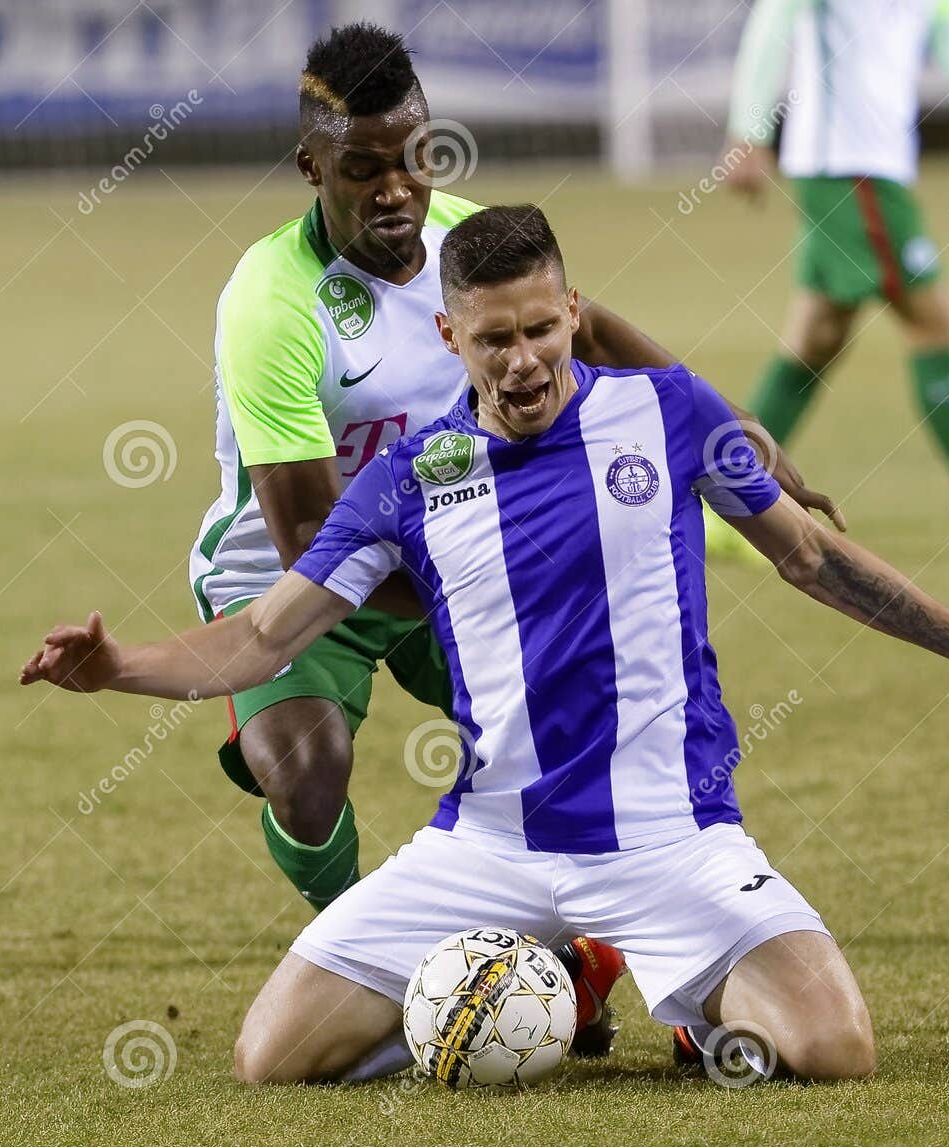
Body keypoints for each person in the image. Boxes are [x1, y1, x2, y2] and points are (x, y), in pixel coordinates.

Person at [24, 204, 949, 1083]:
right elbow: (265, 638)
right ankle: (504, 986)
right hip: (489, 845)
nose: (521, 362)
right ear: (451, 337)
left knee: (835, 1050)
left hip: (669, 835)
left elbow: (810, 558)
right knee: (269, 1058)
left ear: (572, 314)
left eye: (540, 329)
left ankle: (691, 1017)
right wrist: (116, 667)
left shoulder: (669, 412)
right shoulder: (408, 480)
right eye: (493, 338)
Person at [190, 22, 838, 1050]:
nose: (397, 186)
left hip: (456, 547)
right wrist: (482, 588)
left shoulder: (467, 245)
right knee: (305, 775)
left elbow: (600, 336)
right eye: (364, 169)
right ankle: (388, 960)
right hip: (299, 573)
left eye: (415, 155)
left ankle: (653, 970)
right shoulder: (269, 302)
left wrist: (759, 462)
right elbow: (309, 528)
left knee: (584, 747)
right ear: (312, 166)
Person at [721, 0, 949, 551]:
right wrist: (749, 131)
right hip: (849, 171)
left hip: (866, 171)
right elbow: (774, 19)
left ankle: (728, 505)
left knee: (815, 343)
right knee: (932, 324)